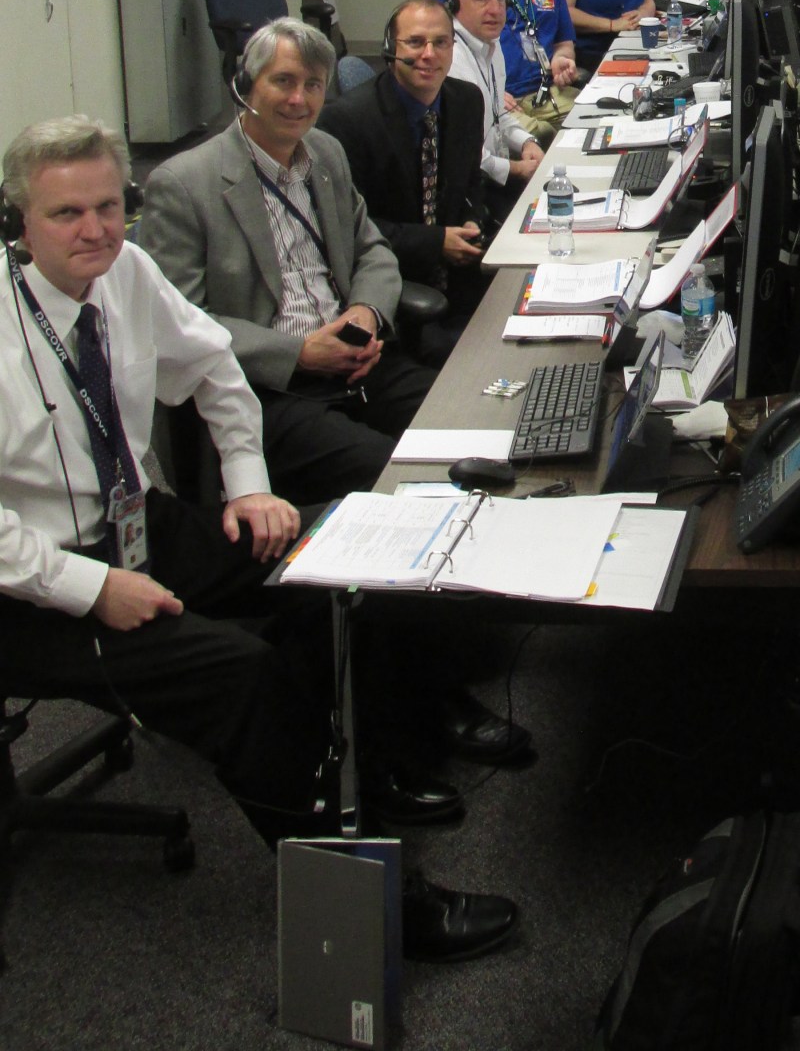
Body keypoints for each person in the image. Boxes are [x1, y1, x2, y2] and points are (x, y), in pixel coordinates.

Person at [0, 115, 517, 960]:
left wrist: (248, 485)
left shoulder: (125, 272)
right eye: (66, 214)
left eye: (108, 206)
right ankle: (378, 907)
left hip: (136, 527)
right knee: (240, 676)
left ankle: (361, 775)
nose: (95, 228)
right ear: (18, 220)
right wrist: (92, 589)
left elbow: (213, 365)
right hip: (34, 586)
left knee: (334, 560)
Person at [138, 17, 440, 503]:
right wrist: (296, 353)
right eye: (283, 81)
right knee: (398, 476)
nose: (299, 99)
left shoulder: (325, 154)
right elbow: (181, 325)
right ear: (244, 86)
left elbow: (373, 249)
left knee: (461, 423)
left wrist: (367, 312)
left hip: (359, 364)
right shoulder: (184, 184)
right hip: (269, 390)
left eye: (313, 85)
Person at [317, 0, 493, 355]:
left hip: (460, 271)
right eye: (415, 42)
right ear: (389, 48)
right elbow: (350, 232)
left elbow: (470, 183)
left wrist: (472, 221)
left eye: (441, 42)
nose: (429, 54)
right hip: (396, 282)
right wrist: (434, 242)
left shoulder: (466, 100)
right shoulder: (347, 121)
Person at [428, 0, 580, 144]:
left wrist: (561, 59)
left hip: (548, 91)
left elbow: (564, 42)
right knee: (542, 136)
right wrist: (491, 93)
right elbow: (433, 50)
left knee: (593, 121)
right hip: (501, 99)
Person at [444, 0, 545, 210]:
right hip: (470, 190)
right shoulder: (451, 59)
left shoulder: (490, 42)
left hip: (494, 176)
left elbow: (498, 114)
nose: (495, 9)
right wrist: (515, 168)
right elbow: (464, 154)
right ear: (453, 5)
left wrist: (526, 141)